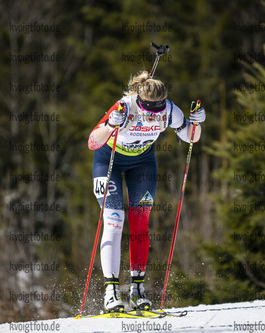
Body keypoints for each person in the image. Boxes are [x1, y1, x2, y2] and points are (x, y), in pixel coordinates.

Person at [87, 70, 206, 312]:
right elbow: (92, 142)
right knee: (113, 221)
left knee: (140, 222)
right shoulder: (124, 107)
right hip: (108, 159)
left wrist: (197, 123)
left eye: (157, 111)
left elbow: (191, 138)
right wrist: (111, 124)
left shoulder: (171, 110)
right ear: (139, 101)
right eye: (147, 111)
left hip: (142, 163)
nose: (153, 117)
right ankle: (111, 293)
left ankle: (137, 290)